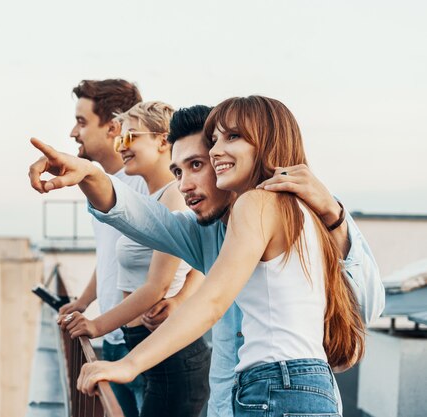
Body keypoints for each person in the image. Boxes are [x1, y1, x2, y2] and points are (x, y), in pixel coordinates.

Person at [28, 102, 384, 417]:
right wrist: (90, 174)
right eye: (178, 172)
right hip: (266, 392)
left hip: (278, 389)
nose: (184, 185)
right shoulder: (225, 227)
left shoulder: (285, 206)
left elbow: (212, 301)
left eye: (198, 162)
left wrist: (128, 364)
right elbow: (140, 216)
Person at [59, 101, 210, 417]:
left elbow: (157, 287)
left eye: (129, 138)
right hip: (145, 344)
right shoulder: (150, 200)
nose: (121, 147)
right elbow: (202, 254)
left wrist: (95, 325)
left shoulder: (174, 196)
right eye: (118, 140)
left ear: (162, 140)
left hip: (171, 354)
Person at [59, 79, 147, 416]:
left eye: (82, 122)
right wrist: (83, 301)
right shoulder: (108, 186)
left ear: (113, 127)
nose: (72, 132)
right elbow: (112, 255)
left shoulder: (141, 183)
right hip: (114, 339)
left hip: (142, 344)